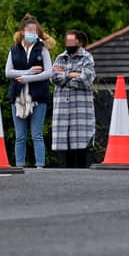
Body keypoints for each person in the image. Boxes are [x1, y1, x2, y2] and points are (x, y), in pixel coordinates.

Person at [5, 14, 55, 168]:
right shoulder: (14, 49)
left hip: (39, 96)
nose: (33, 33)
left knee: (37, 134)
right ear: (22, 32)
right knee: (20, 136)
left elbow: (49, 72)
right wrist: (28, 72)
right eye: (30, 30)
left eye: (35, 31)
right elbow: (8, 72)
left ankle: (39, 164)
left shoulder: (43, 50)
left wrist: (28, 78)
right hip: (18, 96)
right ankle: (19, 164)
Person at [51, 29, 96, 168]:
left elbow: (86, 79)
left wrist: (64, 76)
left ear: (79, 42)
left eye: (71, 41)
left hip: (80, 109)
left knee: (81, 145)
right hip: (63, 110)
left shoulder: (87, 58)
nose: (68, 44)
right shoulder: (60, 58)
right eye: (67, 41)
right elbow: (53, 78)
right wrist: (72, 74)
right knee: (65, 145)